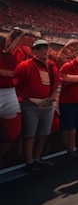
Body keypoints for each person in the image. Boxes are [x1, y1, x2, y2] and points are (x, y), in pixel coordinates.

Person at [13, 39, 61, 171]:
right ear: (33, 51)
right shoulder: (25, 65)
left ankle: (37, 158)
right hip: (30, 105)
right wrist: (32, 99)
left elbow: (57, 84)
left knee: (43, 133)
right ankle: (29, 161)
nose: (43, 51)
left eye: (45, 48)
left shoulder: (51, 65)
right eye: (39, 48)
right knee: (30, 134)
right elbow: (16, 85)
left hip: (47, 105)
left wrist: (51, 99)